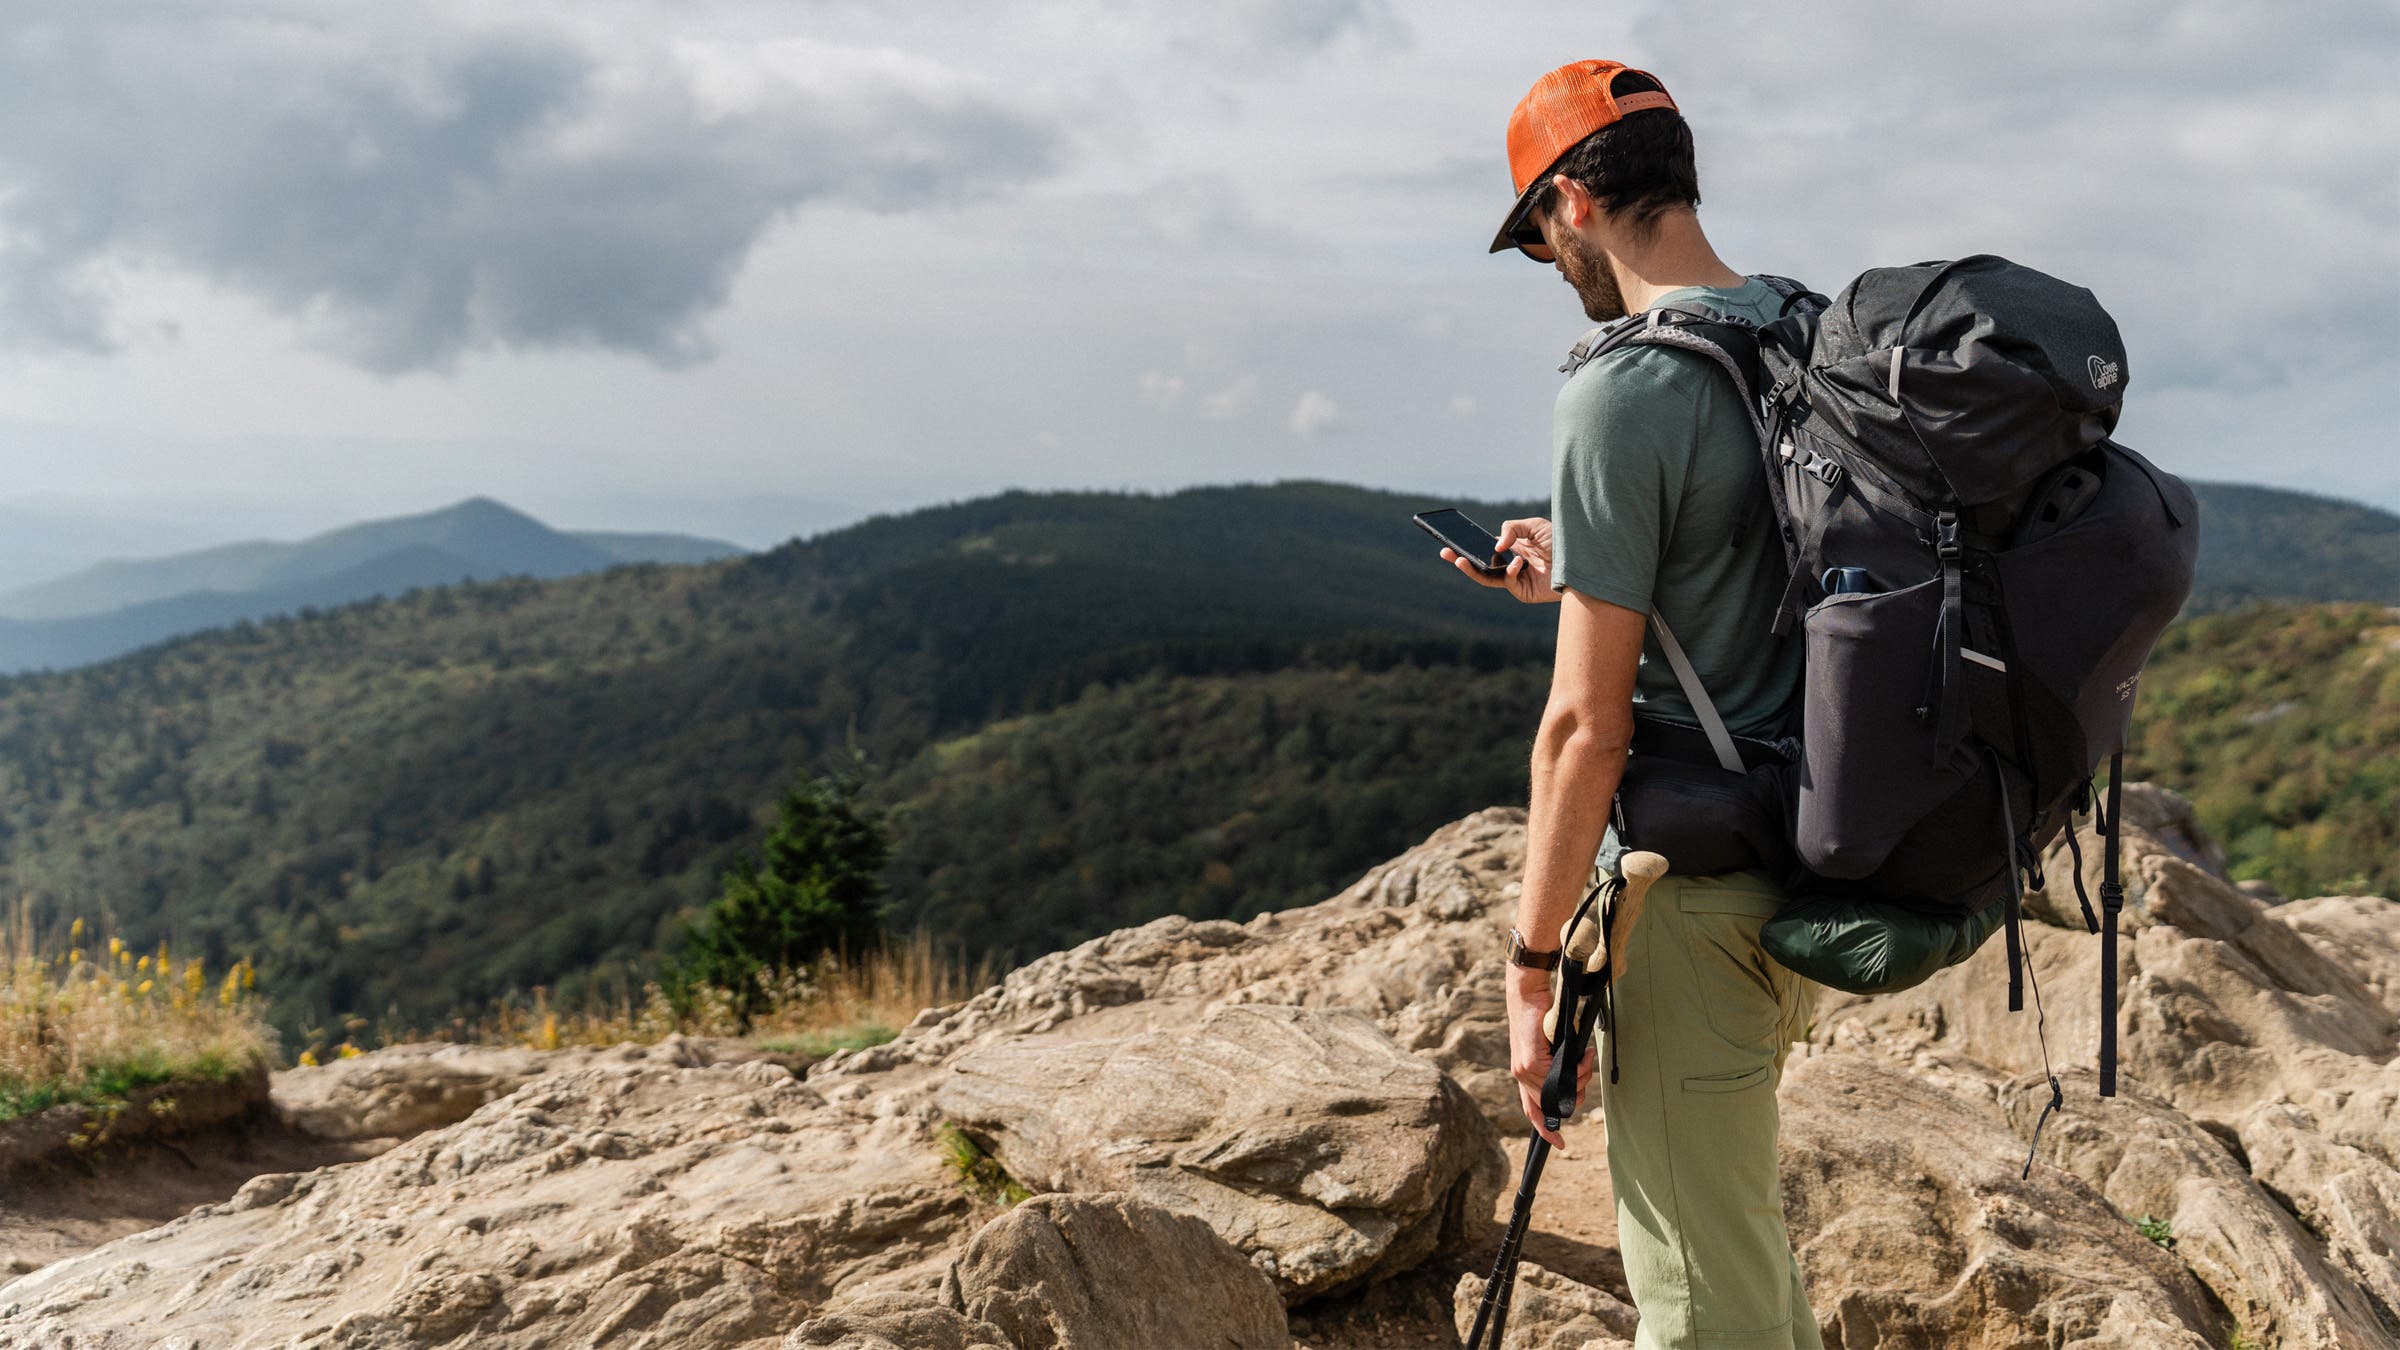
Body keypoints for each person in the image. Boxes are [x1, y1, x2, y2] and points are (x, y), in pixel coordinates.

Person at [1441, 59, 1823, 1350]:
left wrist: (1533, 963)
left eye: (1541, 234)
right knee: (1746, 1270)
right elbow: (1753, 566)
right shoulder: (1800, 330)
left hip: (1690, 908)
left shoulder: (1622, 387)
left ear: (1575, 202)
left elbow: (1581, 730)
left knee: (1705, 1312)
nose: (1553, 262)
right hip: (1809, 862)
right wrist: (1584, 572)